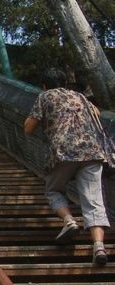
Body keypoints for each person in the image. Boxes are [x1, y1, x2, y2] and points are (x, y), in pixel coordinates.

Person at [24, 68, 110, 264]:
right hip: (92, 151)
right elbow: (96, 113)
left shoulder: (45, 96)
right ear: (64, 82)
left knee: (53, 190)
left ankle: (69, 221)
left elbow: (29, 128)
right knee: (94, 200)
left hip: (63, 152)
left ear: (44, 85)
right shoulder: (80, 96)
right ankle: (99, 247)